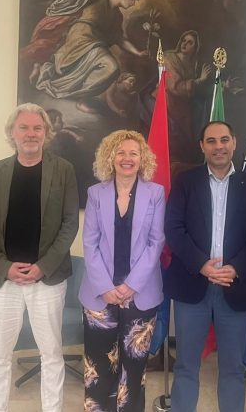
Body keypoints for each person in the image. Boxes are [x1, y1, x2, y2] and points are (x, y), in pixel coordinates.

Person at [0, 103, 79, 412]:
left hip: (47, 279)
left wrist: (42, 267)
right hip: (4, 279)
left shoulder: (64, 170)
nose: (31, 134)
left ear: (46, 133)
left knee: (51, 354)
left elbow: (70, 223)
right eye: (24, 127)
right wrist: (3, 267)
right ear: (12, 132)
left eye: (37, 128)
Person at [164, 120, 246, 412]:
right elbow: (173, 228)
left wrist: (236, 268)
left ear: (234, 143)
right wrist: (201, 264)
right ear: (202, 146)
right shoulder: (185, 181)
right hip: (192, 285)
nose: (218, 146)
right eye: (211, 141)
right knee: (186, 365)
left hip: (234, 287)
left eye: (224, 140)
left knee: (233, 368)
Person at [80, 130, 166, 412]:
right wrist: (106, 287)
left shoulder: (155, 193)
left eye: (133, 153)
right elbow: (90, 243)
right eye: (121, 152)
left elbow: (156, 242)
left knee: (134, 368)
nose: (127, 158)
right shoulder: (96, 193)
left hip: (140, 294)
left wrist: (131, 285)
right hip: (99, 294)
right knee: (98, 365)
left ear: (142, 159)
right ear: (110, 157)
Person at [29, 0, 148, 101]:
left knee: (110, 70)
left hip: (94, 44)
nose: (133, 3)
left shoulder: (116, 16)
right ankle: (51, 78)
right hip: (81, 37)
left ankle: (58, 85)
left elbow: (120, 38)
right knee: (82, 68)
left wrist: (137, 52)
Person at [162, 30, 213, 163]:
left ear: (196, 48)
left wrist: (223, 85)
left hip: (181, 104)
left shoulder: (193, 64)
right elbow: (175, 87)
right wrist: (200, 80)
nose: (185, 44)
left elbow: (199, 89)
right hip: (166, 100)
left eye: (190, 42)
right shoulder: (169, 59)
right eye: (184, 40)